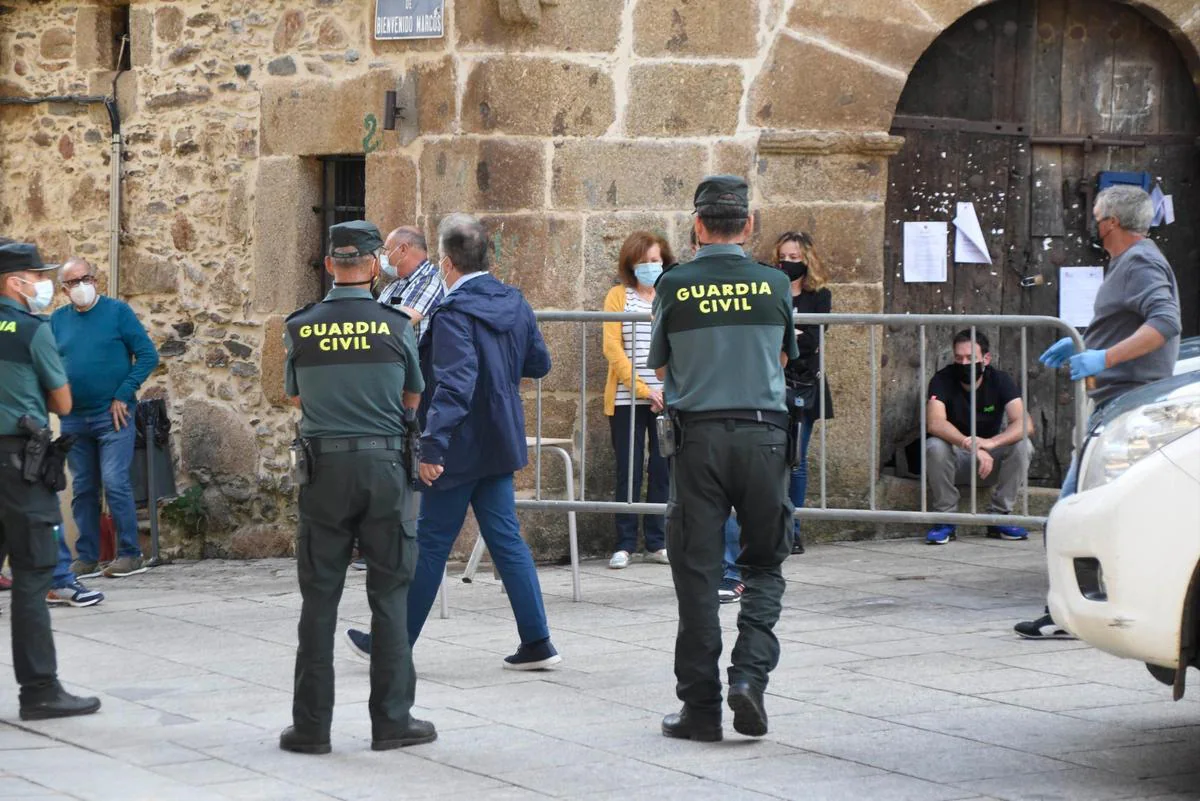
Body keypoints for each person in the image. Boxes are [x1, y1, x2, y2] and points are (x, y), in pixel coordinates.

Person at [345, 214, 561, 671]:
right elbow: (539, 363)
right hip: (499, 438)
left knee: (430, 542)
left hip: (458, 446)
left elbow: (456, 384)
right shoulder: (514, 302)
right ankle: (538, 640)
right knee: (506, 540)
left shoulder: (452, 313)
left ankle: (393, 642)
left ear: (446, 262)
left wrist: (433, 448)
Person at [648, 176, 798, 742]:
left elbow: (661, 366)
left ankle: (701, 708)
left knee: (696, 574)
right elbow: (785, 356)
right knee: (763, 565)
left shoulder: (674, 284)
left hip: (698, 441)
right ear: (750, 225)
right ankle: (749, 679)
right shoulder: (774, 284)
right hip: (763, 436)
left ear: (698, 225)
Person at [280, 220, 436, 754]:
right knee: (390, 594)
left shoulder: (300, 325)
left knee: (319, 597)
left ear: (330, 265)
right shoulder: (396, 324)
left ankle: (310, 728)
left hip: (323, 471)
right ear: (374, 266)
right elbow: (413, 395)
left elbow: (297, 399)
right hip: (385, 468)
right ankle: (392, 720)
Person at [1016, 185, 1181, 639]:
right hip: (1123, 399)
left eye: (1095, 214)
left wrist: (1103, 359)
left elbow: (1165, 323)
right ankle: (1078, 609)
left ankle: (1068, 613)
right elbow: (1129, 321)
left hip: (1128, 402)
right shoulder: (1129, 261)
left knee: (1071, 509)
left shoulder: (1140, 261)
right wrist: (1084, 343)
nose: (1093, 221)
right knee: (1091, 510)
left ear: (1110, 221)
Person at [0, 241, 102, 720]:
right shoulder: (29, 329)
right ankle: (39, 689)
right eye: (36, 276)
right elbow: (62, 403)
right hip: (18, 464)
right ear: (14, 282)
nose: (43, 284)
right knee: (33, 572)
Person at [50, 258, 159, 579]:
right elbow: (51, 362)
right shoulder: (57, 321)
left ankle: (129, 553)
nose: (82, 285)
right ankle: (86, 556)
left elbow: (148, 354)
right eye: (74, 282)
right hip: (73, 418)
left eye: (87, 278)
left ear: (95, 280)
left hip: (114, 415)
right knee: (83, 487)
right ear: (64, 289)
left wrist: (124, 393)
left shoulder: (117, 313)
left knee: (115, 482)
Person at [349, 225, 446, 573]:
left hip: (415, 383)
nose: (385, 259)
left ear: (404, 249)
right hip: (387, 383)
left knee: (409, 463)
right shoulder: (396, 285)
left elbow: (408, 318)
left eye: (388, 250)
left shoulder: (429, 280)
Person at [924, 330, 1034, 545]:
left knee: (1023, 445)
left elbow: (1025, 423)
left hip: (990, 464)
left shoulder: (1000, 380)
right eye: (958, 358)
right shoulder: (942, 379)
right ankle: (946, 518)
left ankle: (999, 516)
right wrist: (971, 444)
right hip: (956, 460)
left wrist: (991, 443)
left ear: (986, 358)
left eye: (970, 358)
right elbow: (935, 422)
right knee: (934, 446)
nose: (964, 364)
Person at [603, 231, 671, 569]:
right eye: (643, 262)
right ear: (631, 265)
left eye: (655, 260)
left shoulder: (671, 295)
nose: (650, 267)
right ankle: (625, 543)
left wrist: (667, 391)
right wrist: (646, 390)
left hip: (665, 399)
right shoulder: (618, 296)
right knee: (627, 470)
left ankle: (657, 541)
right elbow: (612, 348)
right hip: (628, 399)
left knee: (662, 469)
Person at [777, 231, 834, 555]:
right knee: (773, 460)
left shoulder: (819, 296)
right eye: (783, 258)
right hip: (774, 381)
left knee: (797, 460)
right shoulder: (773, 291)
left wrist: (790, 335)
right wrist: (793, 334)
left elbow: (812, 340)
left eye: (794, 259)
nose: (787, 264)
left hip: (803, 385)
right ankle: (773, 525)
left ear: (807, 261)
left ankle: (794, 528)